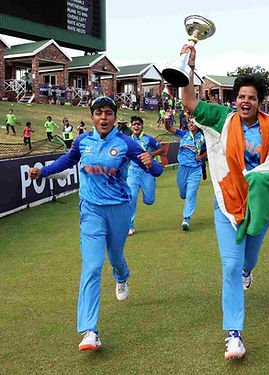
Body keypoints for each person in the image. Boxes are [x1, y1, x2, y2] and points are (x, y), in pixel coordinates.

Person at [179, 45, 269, 360]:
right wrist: (190, 67)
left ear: (261, 102)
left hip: (258, 207)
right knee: (230, 265)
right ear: (236, 99)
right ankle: (234, 334)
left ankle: (249, 270)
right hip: (227, 203)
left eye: (252, 97)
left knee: (247, 260)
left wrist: (260, 182)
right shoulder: (222, 118)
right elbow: (189, 102)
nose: (246, 101)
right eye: (241, 96)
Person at [28, 96, 163, 351]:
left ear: (115, 117)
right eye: (99, 113)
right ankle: (89, 331)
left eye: (108, 113)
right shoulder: (83, 141)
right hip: (90, 210)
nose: (104, 117)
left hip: (119, 210)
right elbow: (67, 161)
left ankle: (122, 277)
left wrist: (152, 164)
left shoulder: (126, 143)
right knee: (91, 265)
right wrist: (42, 172)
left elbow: (154, 170)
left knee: (115, 257)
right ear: (92, 117)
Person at [163, 110, 206, 231]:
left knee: (191, 194)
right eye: (189, 122)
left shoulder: (203, 137)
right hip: (183, 168)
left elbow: (210, 149)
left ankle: (186, 219)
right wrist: (166, 119)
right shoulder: (183, 134)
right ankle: (186, 196)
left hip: (195, 169)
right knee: (183, 193)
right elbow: (169, 128)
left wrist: (201, 157)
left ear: (198, 124)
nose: (191, 124)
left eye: (193, 122)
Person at [127, 116, 164, 235]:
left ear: (142, 126)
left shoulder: (148, 139)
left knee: (149, 200)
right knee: (131, 198)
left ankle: (149, 187)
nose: (136, 126)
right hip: (133, 172)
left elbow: (161, 150)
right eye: (134, 124)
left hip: (147, 171)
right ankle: (130, 226)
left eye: (138, 124)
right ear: (131, 126)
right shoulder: (128, 140)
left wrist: (151, 154)